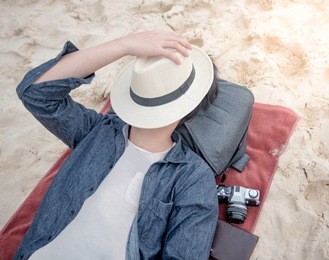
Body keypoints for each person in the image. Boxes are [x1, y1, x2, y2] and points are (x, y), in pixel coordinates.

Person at [14, 31, 219, 259]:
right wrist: (125, 44)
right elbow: (35, 93)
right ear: (193, 108)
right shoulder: (97, 131)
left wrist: (125, 45)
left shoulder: (191, 176)